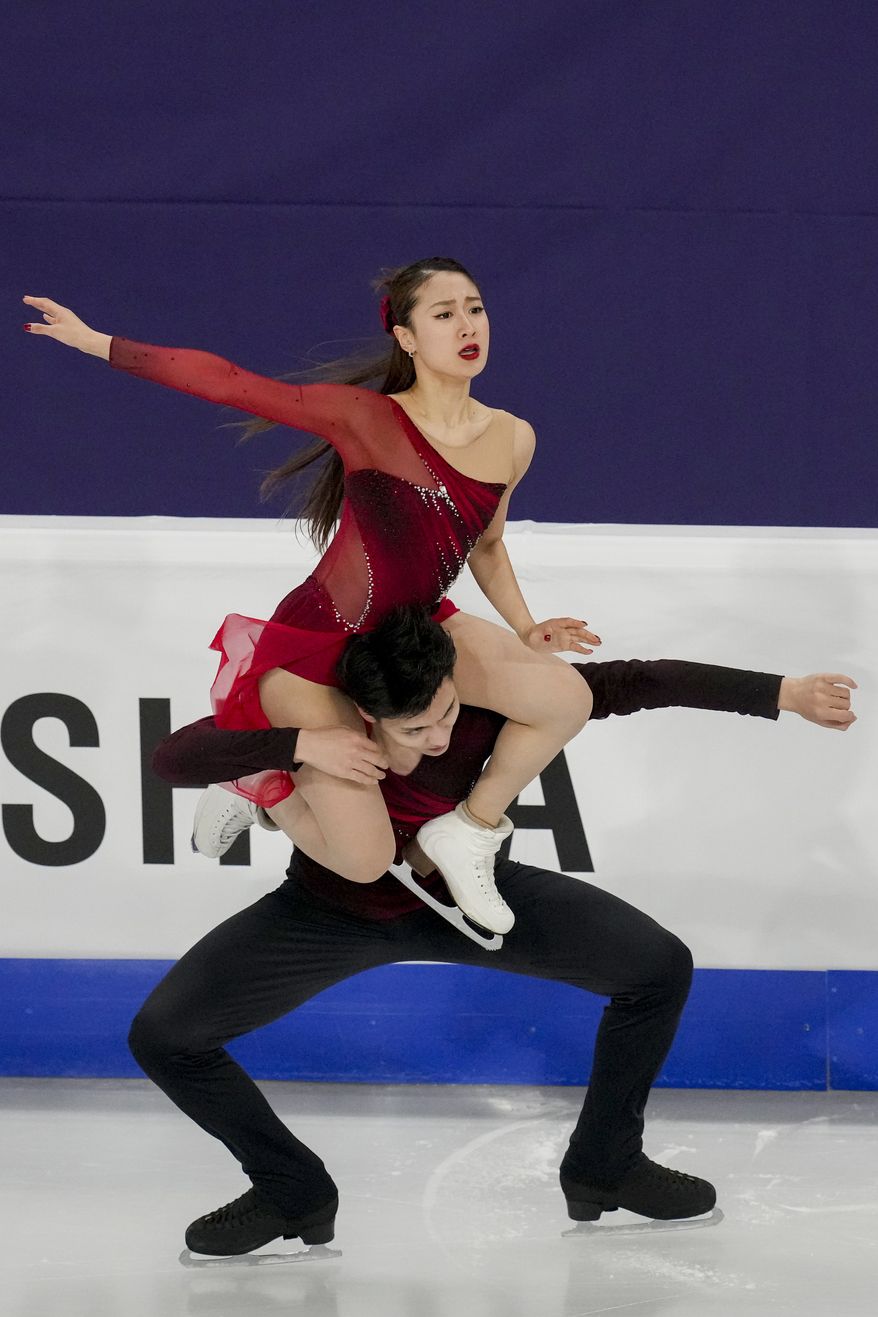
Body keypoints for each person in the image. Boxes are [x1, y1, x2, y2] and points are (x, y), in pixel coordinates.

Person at [139, 604, 857, 1256]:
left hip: (468, 897)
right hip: (326, 911)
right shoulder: (325, 721)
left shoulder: (484, 696)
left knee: (658, 967)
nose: (441, 734)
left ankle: (605, 1164)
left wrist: (781, 693)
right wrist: (295, 746)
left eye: (448, 712)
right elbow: (173, 756)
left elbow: (634, 681)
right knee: (164, 1036)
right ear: (365, 713)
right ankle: (291, 1186)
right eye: (414, 729)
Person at [22, 263, 598, 936]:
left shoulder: (513, 437)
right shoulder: (365, 418)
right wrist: (99, 342)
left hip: (411, 633)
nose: (467, 325)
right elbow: (230, 383)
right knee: (365, 856)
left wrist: (527, 629)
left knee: (567, 698)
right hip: (321, 647)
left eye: (474, 307)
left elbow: (487, 546)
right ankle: (263, 784)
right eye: (443, 314)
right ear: (407, 337)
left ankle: (468, 831)